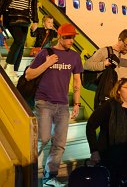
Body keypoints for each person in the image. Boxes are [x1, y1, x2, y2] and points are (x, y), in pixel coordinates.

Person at [25, 23, 83, 187]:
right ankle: (29, 174)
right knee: (42, 139)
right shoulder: (46, 53)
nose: (71, 40)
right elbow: (29, 75)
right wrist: (47, 63)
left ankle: (50, 177)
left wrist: (77, 103)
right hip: (44, 103)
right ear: (60, 36)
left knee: (59, 143)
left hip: (63, 105)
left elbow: (77, 81)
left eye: (73, 37)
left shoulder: (74, 57)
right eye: (68, 37)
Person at [86, 77, 127, 186]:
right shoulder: (109, 106)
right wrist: (94, 151)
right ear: (119, 91)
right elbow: (90, 126)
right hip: (113, 156)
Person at [0, 0, 40, 78]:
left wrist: (36, 20)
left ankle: (14, 69)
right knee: (18, 40)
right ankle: (9, 64)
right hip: (11, 15)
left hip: (25, 17)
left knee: (21, 44)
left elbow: (33, 5)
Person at [83, 29, 127, 98]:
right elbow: (86, 65)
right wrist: (103, 64)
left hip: (124, 98)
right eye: (126, 45)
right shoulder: (104, 52)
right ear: (119, 40)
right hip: (109, 96)